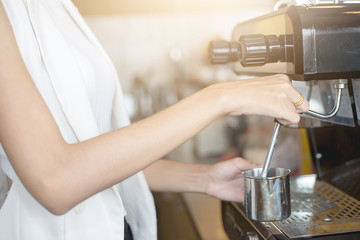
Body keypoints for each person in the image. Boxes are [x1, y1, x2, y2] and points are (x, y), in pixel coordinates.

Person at [0, 0, 309, 239]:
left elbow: (102, 159)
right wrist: (221, 97)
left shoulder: (57, 7)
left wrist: (203, 179)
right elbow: (55, 178)